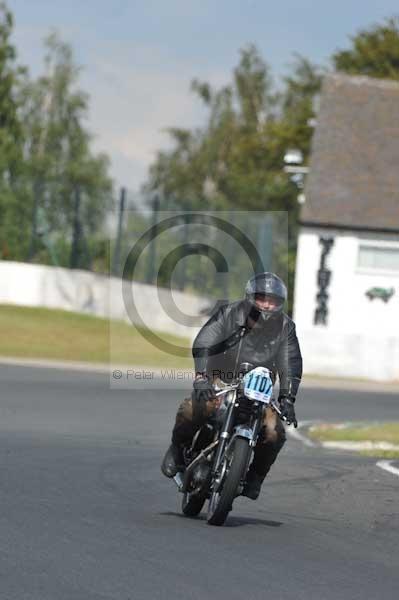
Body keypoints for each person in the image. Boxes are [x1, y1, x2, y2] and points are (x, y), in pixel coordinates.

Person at [161, 272, 303, 500]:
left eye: (273, 300)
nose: (267, 304)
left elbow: (291, 362)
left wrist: (288, 399)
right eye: (262, 298)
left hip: (259, 389)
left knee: (275, 432)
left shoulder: (286, 327)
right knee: (193, 407)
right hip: (221, 379)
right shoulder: (228, 314)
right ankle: (176, 449)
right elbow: (205, 341)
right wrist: (201, 378)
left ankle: (255, 477)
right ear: (250, 297)